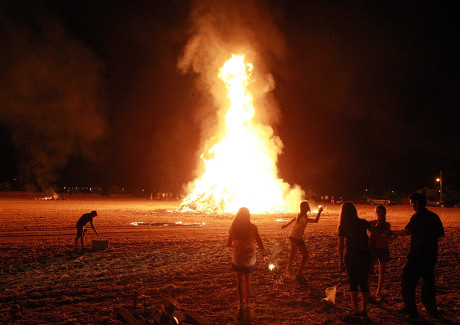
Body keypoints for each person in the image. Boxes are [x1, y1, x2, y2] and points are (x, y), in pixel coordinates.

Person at [394, 192, 444, 319]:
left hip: (417, 256)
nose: (411, 205)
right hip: (431, 256)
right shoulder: (434, 216)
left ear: (417, 203)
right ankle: (431, 309)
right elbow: (440, 236)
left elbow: (406, 232)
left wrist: (392, 232)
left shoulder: (417, 217)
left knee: (407, 282)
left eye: (412, 202)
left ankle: (411, 310)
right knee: (428, 283)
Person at [227, 207, 265, 312]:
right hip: (250, 256)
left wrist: (237, 247)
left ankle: (240, 304)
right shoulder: (253, 227)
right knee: (248, 279)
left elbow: (228, 244)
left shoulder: (234, 228)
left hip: (238, 256)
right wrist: (264, 253)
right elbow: (259, 242)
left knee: (239, 280)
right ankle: (247, 302)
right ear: (248, 216)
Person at [338, 202, 372, 317]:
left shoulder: (343, 226)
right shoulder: (363, 222)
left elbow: (340, 245)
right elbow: (375, 232)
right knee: (363, 282)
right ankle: (364, 309)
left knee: (353, 282)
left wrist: (340, 261)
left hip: (351, 256)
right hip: (364, 255)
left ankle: (355, 310)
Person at [281, 201, 323, 283]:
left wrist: (286, 225)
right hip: (297, 237)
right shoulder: (304, 217)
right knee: (305, 256)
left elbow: (294, 219)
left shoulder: (299, 214)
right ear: (306, 208)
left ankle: (289, 269)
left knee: (293, 252)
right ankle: (299, 274)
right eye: (307, 208)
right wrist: (319, 212)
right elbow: (315, 221)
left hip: (292, 235)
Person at [368, 205, 394, 299]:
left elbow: (388, 239)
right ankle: (368, 291)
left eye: (382, 212)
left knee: (381, 270)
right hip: (373, 248)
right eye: (378, 212)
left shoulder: (387, 225)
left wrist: (392, 237)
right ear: (375, 213)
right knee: (370, 271)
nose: (380, 214)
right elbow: (371, 233)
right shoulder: (371, 223)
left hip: (383, 248)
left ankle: (378, 291)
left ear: (385, 213)